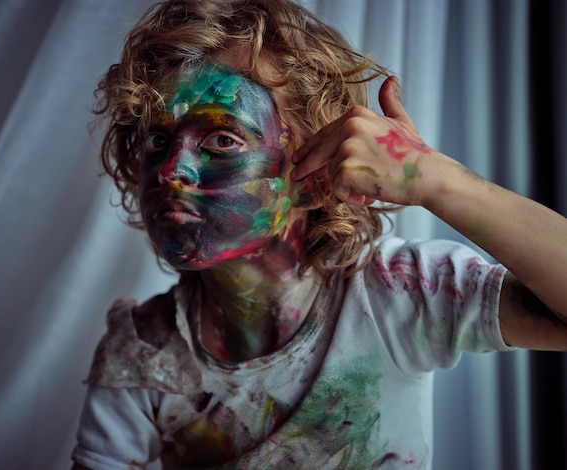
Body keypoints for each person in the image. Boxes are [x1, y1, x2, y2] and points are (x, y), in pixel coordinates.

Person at [71, 0, 567, 468]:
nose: (170, 170)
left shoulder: (397, 294)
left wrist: (441, 182)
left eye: (223, 139)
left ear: (316, 178)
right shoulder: (142, 353)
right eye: (158, 139)